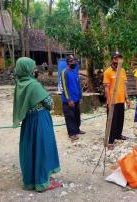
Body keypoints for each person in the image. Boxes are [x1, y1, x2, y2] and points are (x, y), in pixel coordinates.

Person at [13, 57, 60, 192]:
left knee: (30, 149)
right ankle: (42, 182)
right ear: (27, 69)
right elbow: (50, 104)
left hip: (28, 122)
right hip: (40, 121)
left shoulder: (20, 84)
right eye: (33, 67)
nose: (36, 70)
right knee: (42, 149)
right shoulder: (34, 85)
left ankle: (31, 181)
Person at [103, 52, 131, 150]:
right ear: (112, 59)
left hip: (121, 100)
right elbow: (106, 88)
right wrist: (109, 102)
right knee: (111, 121)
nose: (117, 60)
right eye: (116, 58)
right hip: (112, 101)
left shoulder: (122, 71)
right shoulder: (108, 72)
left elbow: (124, 85)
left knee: (120, 119)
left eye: (119, 58)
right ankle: (110, 140)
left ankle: (118, 135)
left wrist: (127, 98)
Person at [61, 55, 85, 141]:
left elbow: (78, 85)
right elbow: (64, 86)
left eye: (74, 61)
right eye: (71, 61)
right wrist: (69, 99)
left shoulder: (75, 72)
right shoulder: (64, 72)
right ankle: (71, 133)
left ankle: (77, 129)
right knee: (70, 117)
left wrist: (80, 96)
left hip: (76, 98)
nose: (73, 62)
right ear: (67, 62)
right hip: (69, 100)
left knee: (77, 116)